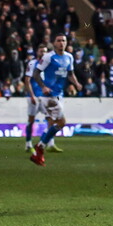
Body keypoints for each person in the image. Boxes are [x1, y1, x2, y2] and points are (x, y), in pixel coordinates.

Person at [29, 34, 81, 166]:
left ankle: (39, 148)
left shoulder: (69, 57)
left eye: (63, 40)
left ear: (66, 43)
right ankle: (40, 148)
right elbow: (36, 73)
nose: (61, 43)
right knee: (61, 122)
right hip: (49, 96)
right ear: (54, 43)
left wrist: (76, 83)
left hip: (60, 94)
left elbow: (70, 74)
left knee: (53, 123)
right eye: (58, 41)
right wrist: (43, 87)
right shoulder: (48, 57)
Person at [22, 45, 49, 154]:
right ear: (37, 52)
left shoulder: (48, 64)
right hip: (34, 96)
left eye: (45, 51)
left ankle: (44, 143)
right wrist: (32, 95)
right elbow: (27, 80)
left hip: (45, 97)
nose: (43, 53)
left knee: (51, 119)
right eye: (41, 51)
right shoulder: (32, 63)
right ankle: (28, 143)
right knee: (31, 120)